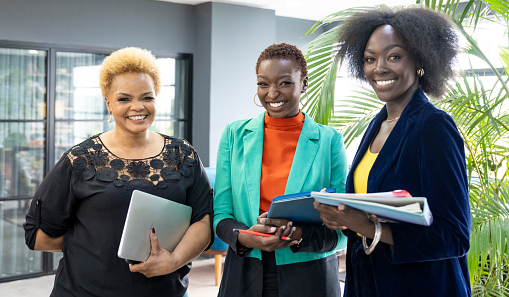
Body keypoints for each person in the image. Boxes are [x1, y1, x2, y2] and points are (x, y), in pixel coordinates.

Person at [24, 47, 213, 297]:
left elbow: (203, 221)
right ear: (109, 103)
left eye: (147, 97)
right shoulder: (81, 159)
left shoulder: (183, 155)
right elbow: (36, 235)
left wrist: (173, 260)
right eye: (124, 99)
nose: (138, 107)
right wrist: (97, 245)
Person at [314, 6, 471, 296]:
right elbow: (368, 216)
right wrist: (343, 219)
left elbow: (454, 236)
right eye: (370, 59)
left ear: (420, 60)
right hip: (367, 284)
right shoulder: (377, 124)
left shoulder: (433, 126)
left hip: (422, 287)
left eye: (394, 56)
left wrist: (367, 227)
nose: (379, 68)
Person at [213, 43, 348, 296]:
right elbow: (221, 215)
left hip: (310, 278)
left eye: (284, 83)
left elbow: (342, 230)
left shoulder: (330, 141)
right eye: (263, 84)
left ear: (303, 84)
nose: (272, 93)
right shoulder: (234, 134)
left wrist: (298, 234)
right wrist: (244, 236)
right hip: (243, 274)